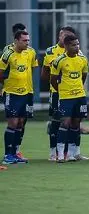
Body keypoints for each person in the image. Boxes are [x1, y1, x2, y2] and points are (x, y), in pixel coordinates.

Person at [0, 30, 38, 165]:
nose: (27, 43)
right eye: (24, 40)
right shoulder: (7, 54)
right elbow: (1, 73)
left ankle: (15, 153)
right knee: (13, 123)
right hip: (12, 93)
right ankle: (7, 155)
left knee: (21, 123)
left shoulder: (31, 52)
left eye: (28, 40)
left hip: (27, 93)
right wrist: (5, 87)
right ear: (16, 41)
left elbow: (32, 69)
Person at [50, 35, 89, 162]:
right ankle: (60, 154)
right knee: (65, 123)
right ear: (66, 46)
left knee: (76, 123)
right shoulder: (59, 61)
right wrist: (63, 90)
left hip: (80, 96)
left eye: (78, 44)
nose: (77, 47)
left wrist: (78, 88)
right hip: (66, 97)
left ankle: (73, 154)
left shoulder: (83, 59)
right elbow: (53, 80)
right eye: (73, 45)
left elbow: (84, 76)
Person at [42, 26, 76, 161]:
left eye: (70, 37)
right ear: (59, 36)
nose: (67, 39)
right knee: (56, 121)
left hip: (72, 94)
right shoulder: (50, 52)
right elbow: (44, 75)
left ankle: (69, 153)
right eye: (65, 36)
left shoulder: (76, 52)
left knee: (71, 122)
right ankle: (53, 153)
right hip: (56, 93)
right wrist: (56, 85)